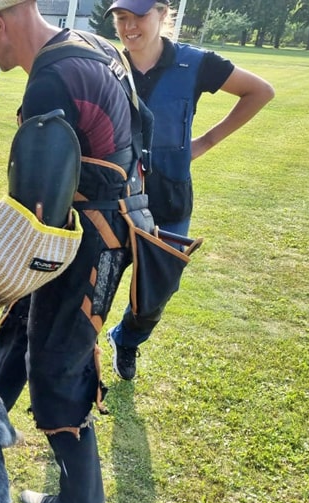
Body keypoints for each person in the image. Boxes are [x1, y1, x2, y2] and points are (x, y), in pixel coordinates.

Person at [0, 0, 148, 503]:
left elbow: (34, 217)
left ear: (0, 22)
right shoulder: (94, 46)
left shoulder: (49, 80)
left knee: (58, 368)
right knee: (23, 329)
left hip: (86, 242)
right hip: (114, 225)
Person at [104, 0, 274, 380]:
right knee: (95, 286)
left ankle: (127, 339)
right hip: (113, 199)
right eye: (121, 18)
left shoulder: (196, 63)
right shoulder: (105, 62)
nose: (129, 27)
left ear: (163, 14)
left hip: (170, 199)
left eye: (139, 16)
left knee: (157, 293)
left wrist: (207, 142)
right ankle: (80, 363)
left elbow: (260, 91)